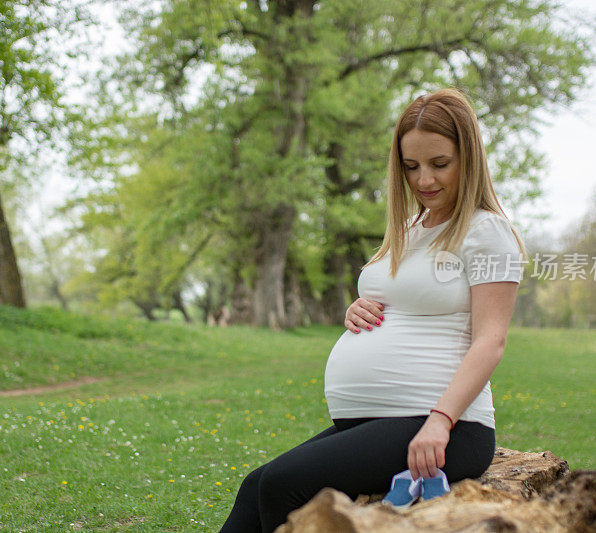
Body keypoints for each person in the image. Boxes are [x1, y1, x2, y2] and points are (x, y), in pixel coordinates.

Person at [219, 88, 527, 533]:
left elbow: (491, 340)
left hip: (443, 425)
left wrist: (440, 423)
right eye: (411, 166)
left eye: (440, 164)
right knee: (256, 485)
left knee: (283, 485)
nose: (424, 180)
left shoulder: (488, 232)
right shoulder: (411, 227)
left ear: (470, 158)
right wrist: (359, 310)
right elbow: (405, 299)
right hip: (377, 419)